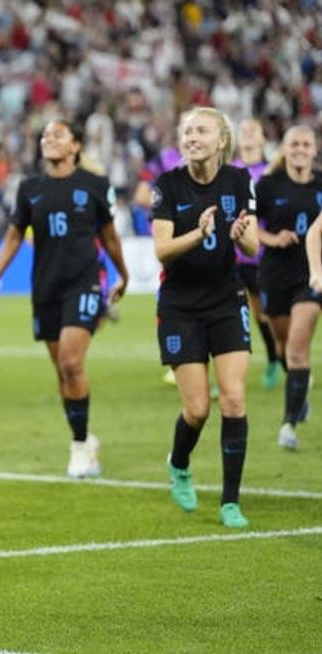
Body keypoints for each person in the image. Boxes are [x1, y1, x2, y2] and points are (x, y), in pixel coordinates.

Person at [0, 120, 129, 479]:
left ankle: (79, 448)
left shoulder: (95, 186)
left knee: (70, 363)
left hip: (84, 283)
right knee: (62, 372)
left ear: (76, 145)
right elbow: (15, 235)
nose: (49, 139)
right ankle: (84, 437)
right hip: (45, 288)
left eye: (58, 134)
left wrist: (123, 273)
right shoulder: (30, 188)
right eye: (45, 136)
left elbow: (109, 237)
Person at [151, 107, 259, 528]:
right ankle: (179, 464)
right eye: (188, 131)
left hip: (227, 300)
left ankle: (230, 501)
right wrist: (200, 233)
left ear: (221, 141)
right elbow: (161, 250)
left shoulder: (239, 180)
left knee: (233, 397)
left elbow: (251, 247)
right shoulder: (167, 184)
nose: (192, 137)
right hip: (179, 305)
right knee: (197, 409)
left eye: (202, 131)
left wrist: (239, 235)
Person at [255, 125, 322, 449]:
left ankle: (289, 425)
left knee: (297, 347)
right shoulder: (267, 184)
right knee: (282, 347)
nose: (300, 149)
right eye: (294, 143)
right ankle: (298, 391)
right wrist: (273, 238)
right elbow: (251, 225)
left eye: (305, 144)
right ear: (284, 148)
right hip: (274, 275)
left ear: (314, 149)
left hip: (311, 276)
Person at [233, 118, 283, 389]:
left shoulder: (270, 172)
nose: (248, 133)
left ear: (263, 138)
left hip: (260, 255)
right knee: (226, 312)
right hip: (230, 255)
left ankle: (276, 359)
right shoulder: (229, 171)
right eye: (243, 130)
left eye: (254, 129)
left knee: (263, 313)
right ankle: (227, 373)